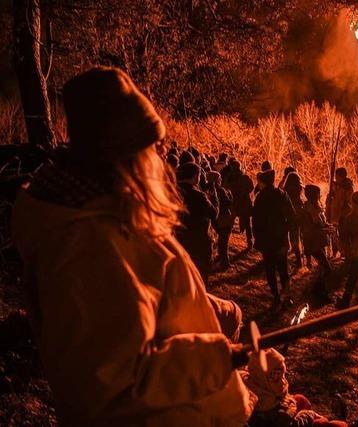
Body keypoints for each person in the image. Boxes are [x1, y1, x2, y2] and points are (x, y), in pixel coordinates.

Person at [11, 67, 253, 425]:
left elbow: (137, 301)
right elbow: (113, 383)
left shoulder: (111, 214)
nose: (160, 156)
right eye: (154, 146)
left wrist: (211, 310)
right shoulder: (86, 246)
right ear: (126, 156)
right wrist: (215, 358)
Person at [252, 168, 296, 310]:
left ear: (263, 182)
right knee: (283, 268)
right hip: (280, 238)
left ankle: (276, 295)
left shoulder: (260, 197)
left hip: (266, 239)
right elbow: (292, 216)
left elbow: (256, 219)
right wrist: (286, 231)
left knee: (270, 268)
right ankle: (287, 295)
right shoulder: (282, 194)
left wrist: (256, 236)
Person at [176, 161, 219, 280]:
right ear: (195, 176)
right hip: (198, 242)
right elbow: (214, 213)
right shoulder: (199, 196)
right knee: (200, 277)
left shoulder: (171, 191)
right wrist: (213, 197)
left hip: (178, 240)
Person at [300, 184, 333, 300]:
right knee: (326, 268)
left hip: (318, 241)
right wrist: (326, 229)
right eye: (318, 193)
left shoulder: (315, 207)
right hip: (313, 243)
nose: (320, 195)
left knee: (322, 268)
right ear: (314, 195)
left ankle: (318, 291)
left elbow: (321, 223)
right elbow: (312, 229)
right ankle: (318, 291)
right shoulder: (309, 209)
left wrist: (328, 226)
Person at [225, 159, 255, 250]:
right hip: (244, 203)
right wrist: (245, 193)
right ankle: (250, 242)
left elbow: (224, 187)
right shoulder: (245, 177)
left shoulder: (229, 177)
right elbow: (251, 187)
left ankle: (225, 241)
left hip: (233, 204)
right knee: (247, 224)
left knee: (229, 224)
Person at [208, 170, 234, 269]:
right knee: (224, 241)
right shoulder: (221, 190)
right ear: (216, 180)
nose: (221, 179)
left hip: (215, 219)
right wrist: (230, 195)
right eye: (219, 178)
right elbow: (227, 202)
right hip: (224, 217)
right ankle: (225, 262)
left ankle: (220, 257)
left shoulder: (207, 190)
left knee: (220, 240)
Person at [327, 167, 354, 258]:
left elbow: (350, 201)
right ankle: (334, 252)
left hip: (343, 215)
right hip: (334, 214)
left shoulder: (348, 187)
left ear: (341, 176)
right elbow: (331, 198)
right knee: (333, 234)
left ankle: (344, 253)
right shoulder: (334, 186)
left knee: (343, 235)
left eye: (337, 176)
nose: (335, 177)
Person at [283, 171, 304, 268]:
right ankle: (299, 259)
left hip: (289, 217)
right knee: (296, 238)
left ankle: (296, 260)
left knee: (289, 238)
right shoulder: (299, 189)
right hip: (298, 217)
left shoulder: (286, 190)